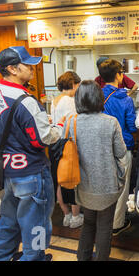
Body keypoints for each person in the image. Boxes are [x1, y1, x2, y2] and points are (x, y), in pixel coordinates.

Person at [0, 46, 64, 261]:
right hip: (31, 171)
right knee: (36, 224)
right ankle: (34, 257)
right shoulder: (25, 100)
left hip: (7, 170)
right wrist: (58, 127)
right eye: (27, 65)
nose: (31, 69)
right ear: (12, 69)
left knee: (9, 220)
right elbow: (42, 139)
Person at [71, 80, 127, 261]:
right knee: (104, 226)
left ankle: (83, 258)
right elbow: (121, 152)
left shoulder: (72, 122)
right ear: (99, 98)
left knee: (88, 223)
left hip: (83, 186)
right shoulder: (110, 122)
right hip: (107, 185)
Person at [99, 59, 137, 236]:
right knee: (122, 187)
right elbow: (131, 124)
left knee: (105, 185)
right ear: (118, 75)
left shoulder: (97, 95)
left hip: (101, 147)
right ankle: (116, 224)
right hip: (122, 147)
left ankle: (104, 222)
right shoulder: (124, 98)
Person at [51, 71, 83, 229]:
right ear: (73, 84)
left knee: (60, 180)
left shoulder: (55, 100)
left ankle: (66, 215)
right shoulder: (69, 100)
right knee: (72, 179)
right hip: (68, 143)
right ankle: (76, 217)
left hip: (55, 144)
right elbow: (74, 124)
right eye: (78, 85)